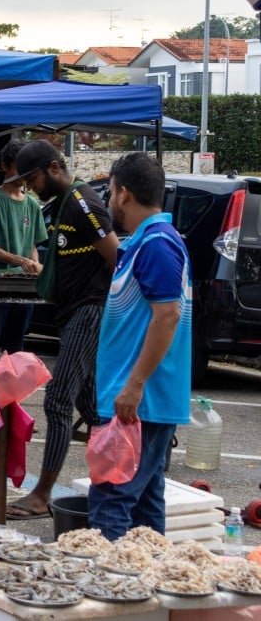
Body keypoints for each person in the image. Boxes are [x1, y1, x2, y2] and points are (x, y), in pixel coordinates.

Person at [3, 139, 119, 520]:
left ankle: (42, 494)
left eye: (31, 177)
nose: (29, 186)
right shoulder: (62, 203)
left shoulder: (82, 202)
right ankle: (122, 479)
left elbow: (115, 255)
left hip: (89, 311)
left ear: (53, 168)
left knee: (57, 399)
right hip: (72, 314)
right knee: (93, 407)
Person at [88, 152, 191, 540]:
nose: (111, 200)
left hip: (138, 405)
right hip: (138, 402)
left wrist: (134, 385)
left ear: (125, 194)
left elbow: (168, 316)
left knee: (111, 502)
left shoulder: (158, 245)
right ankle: (147, 592)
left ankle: (115, 595)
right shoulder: (146, 242)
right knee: (146, 509)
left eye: (111, 191)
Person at [0, 138, 48, 418]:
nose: (24, 174)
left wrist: (34, 265)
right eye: (18, 167)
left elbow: (34, 246)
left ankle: (10, 412)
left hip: (23, 287)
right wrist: (21, 261)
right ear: (4, 167)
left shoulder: (34, 205)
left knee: (15, 355)